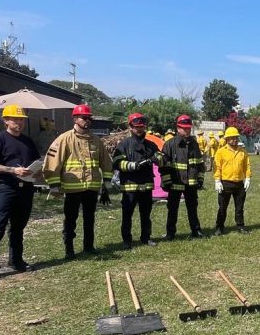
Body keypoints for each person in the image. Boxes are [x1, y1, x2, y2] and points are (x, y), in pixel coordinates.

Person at [0, 104, 40, 281]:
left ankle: (16, 260)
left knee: (18, 227)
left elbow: (36, 161)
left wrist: (36, 170)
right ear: (6, 120)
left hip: (26, 188)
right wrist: (13, 170)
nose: (19, 123)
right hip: (6, 188)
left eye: (21, 120)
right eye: (15, 119)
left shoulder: (28, 141)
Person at [43, 104, 113, 260]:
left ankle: (89, 246)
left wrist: (106, 183)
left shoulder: (96, 140)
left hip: (92, 187)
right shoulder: (64, 139)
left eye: (89, 118)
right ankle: (69, 249)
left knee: (89, 218)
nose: (87, 121)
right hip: (72, 188)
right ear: (75, 118)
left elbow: (106, 162)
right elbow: (53, 162)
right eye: (84, 118)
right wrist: (54, 185)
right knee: (70, 219)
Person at [113, 113, 162, 248]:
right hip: (130, 186)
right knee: (127, 215)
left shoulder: (151, 145)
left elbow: (160, 157)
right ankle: (127, 240)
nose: (139, 129)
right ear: (131, 127)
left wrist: (157, 158)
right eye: (136, 127)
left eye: (141, 127)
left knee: (146, 215)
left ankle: (146, 238)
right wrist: (132, 165)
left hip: (146, 186)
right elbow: (117, 163)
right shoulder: (124, 145)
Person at [160, 115, 205, 240]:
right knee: (172, 209)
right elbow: (163, 165)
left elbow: (200, 164)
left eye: (188, 129)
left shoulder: (194, 144)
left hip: (191, 184)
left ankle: (196, 231)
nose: (187, 131)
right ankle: (170, 233)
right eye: (184, 128)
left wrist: (200, 179)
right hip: (175, 183)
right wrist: (167, 181)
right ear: (178, 128)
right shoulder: (170, 144)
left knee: (192, 209)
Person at [213, 126, 251, 235]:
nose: (234, 139)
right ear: (226, 139)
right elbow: (217, 167)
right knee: (222, 208)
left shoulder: (242, 152)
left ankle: (240, 226)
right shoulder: (221, 152)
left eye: (236, 137)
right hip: (225, 183)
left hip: (239, 184)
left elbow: (247, 166)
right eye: (231, 138)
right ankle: (219, 227)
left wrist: (248, 177)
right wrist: (217, 181)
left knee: (239, 208)